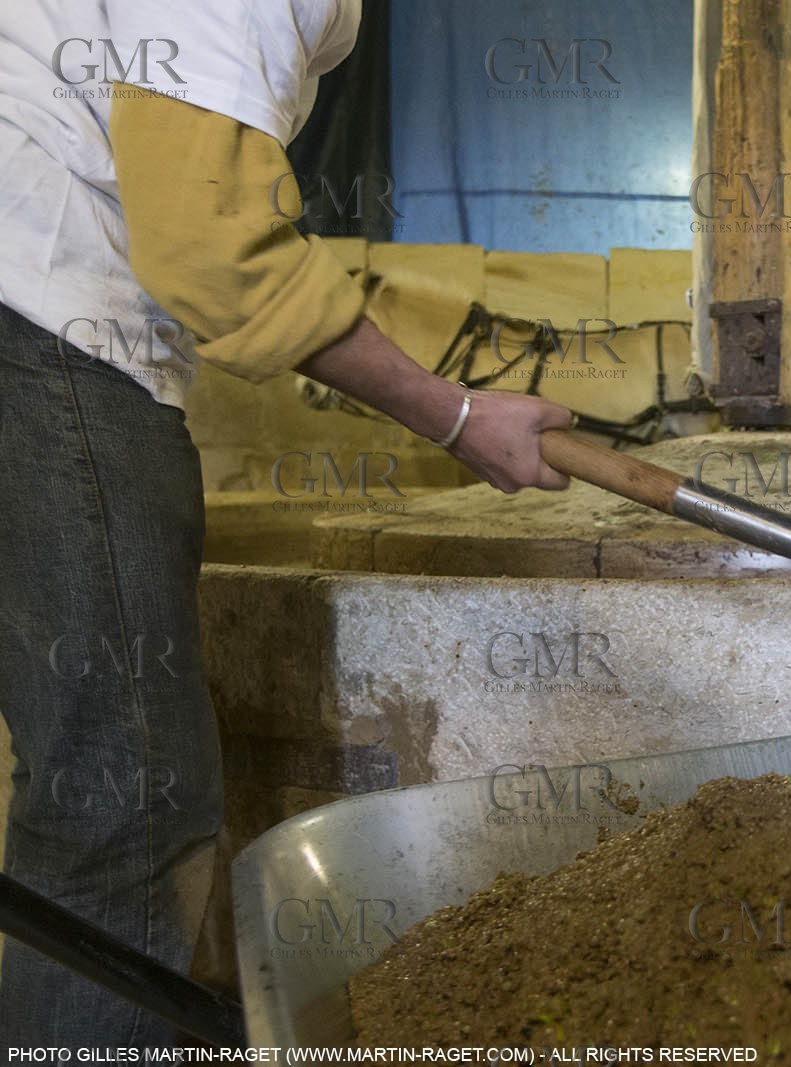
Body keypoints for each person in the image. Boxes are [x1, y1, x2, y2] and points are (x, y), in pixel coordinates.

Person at [0, 3, 571, 1048]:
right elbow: (213, 246)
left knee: (88, 791)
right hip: (42, 318)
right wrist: (451, 413)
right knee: (120, 801)